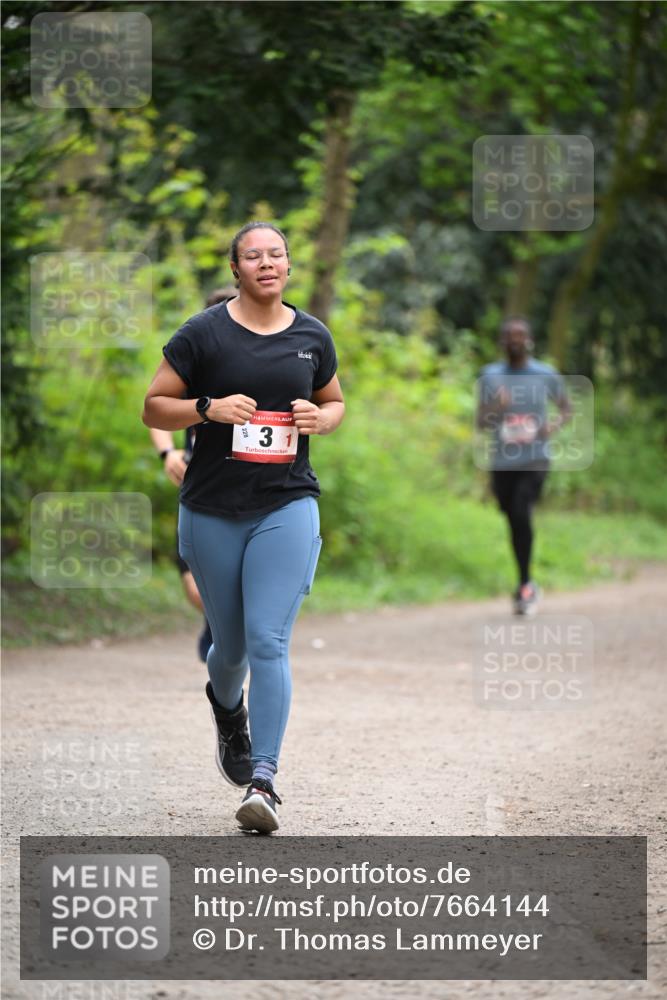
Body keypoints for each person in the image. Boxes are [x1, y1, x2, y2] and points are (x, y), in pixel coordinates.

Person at [142, 222, 345, 833]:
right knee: (227, 649)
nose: (267, 263)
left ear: (288, 265)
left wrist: (322, 418)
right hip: (210, 509)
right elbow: (154, 406)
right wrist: (208, 408)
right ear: (236, 268)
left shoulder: (312, 336)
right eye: (253, 255)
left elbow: (334, 402)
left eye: (276, 254)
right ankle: (227, 710)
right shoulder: (203, 335)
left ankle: (264, 781)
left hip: (286, 503)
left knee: (268, 641)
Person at [148, 287, 237, 663]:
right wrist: (168, 452)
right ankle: (215, 622)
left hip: (249, 489)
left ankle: (230, 635)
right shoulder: (192, 364)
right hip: (198, 488)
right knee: (197, 591)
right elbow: (155, 410)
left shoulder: (264, 366)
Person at [477, 317, 570, 615]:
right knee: (512, 517)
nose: (515, 341)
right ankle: (526, 580)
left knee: (520, 511)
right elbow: (481, 421)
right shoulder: (490, 376)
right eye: (509, 336)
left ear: (529, 340)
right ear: (502, 342)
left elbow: (566, 408)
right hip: (502, 462)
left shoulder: (545, 373)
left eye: (520, 336)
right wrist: (497, 407)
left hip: (535, 458)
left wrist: (551, 426)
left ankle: (525, 585)